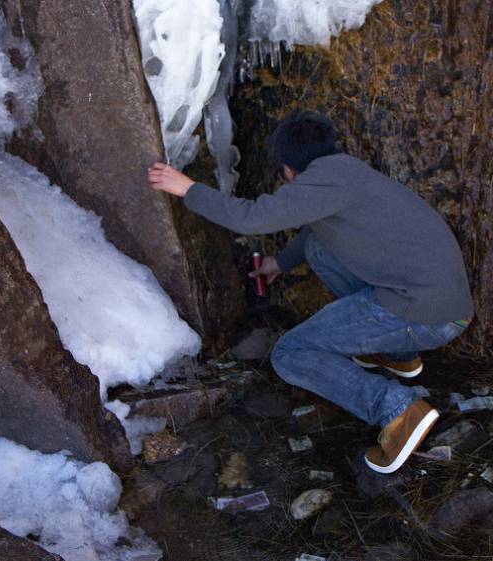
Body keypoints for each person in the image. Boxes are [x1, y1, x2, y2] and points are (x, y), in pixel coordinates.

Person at [148, 111, 474, 474]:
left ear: (289, 169)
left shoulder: (327, 180)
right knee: (319, 249)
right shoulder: (346, 173)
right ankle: (399, 353)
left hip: (426, 312)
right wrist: (279, 263)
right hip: (438, 302)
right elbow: (315, 234)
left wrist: (187, 188)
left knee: (290, 353)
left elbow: (251, 217)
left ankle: (398, 409)